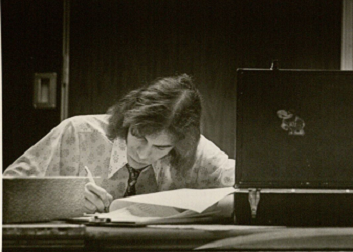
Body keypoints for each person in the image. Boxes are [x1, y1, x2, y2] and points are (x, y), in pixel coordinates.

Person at [4, 74, 235, 213]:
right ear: (127, 119)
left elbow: (252, 186)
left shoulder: (193, 150)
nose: (144, 154)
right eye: (139, 137)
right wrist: (62, 199)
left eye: (161, 147)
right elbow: (6, 196)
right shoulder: (76, 132)